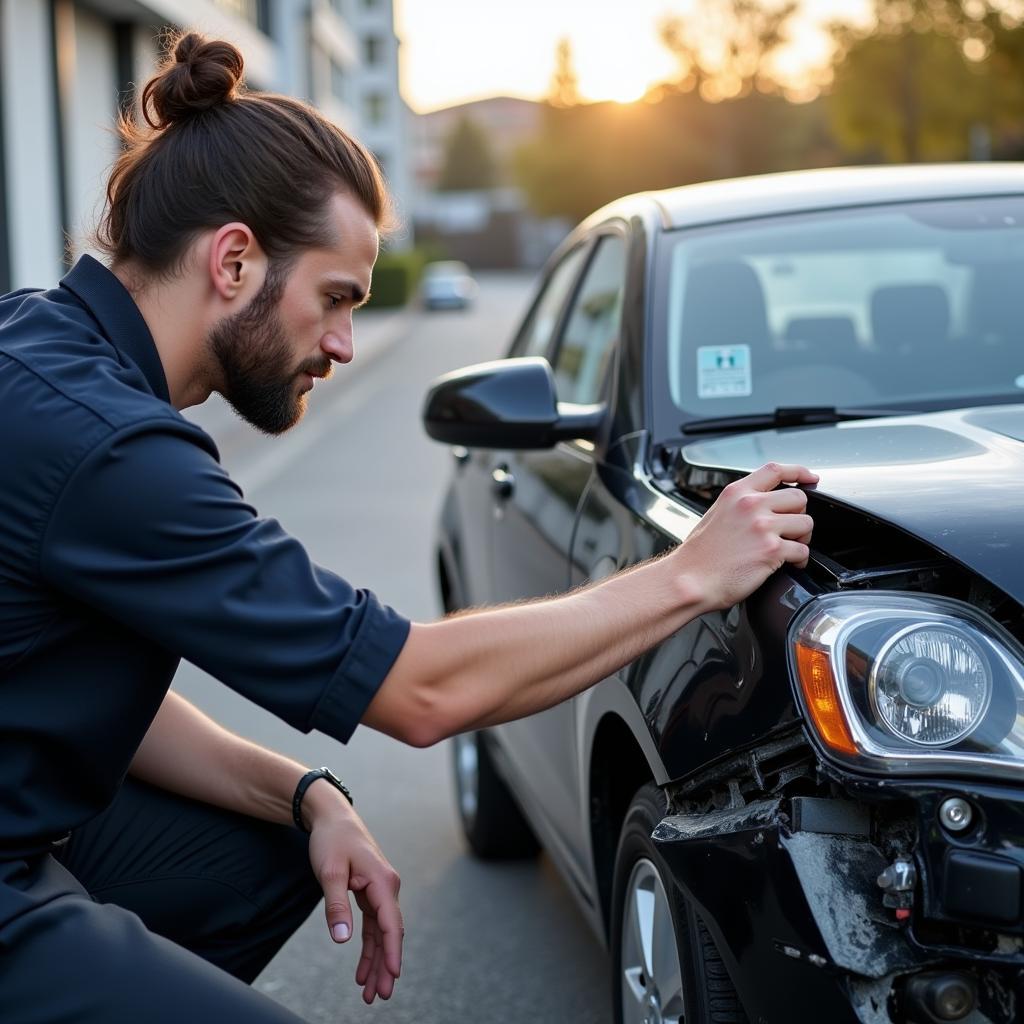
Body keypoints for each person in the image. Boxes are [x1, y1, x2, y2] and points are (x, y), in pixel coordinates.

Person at [0, 31, 817, 1024]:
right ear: (233, 260)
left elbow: (67, 686)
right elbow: (421, 690)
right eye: (336, 300)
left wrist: (304, 792)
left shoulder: (39, 341)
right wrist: (693, 571)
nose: (344, 342)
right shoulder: (113, 452)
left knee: (270, 844)